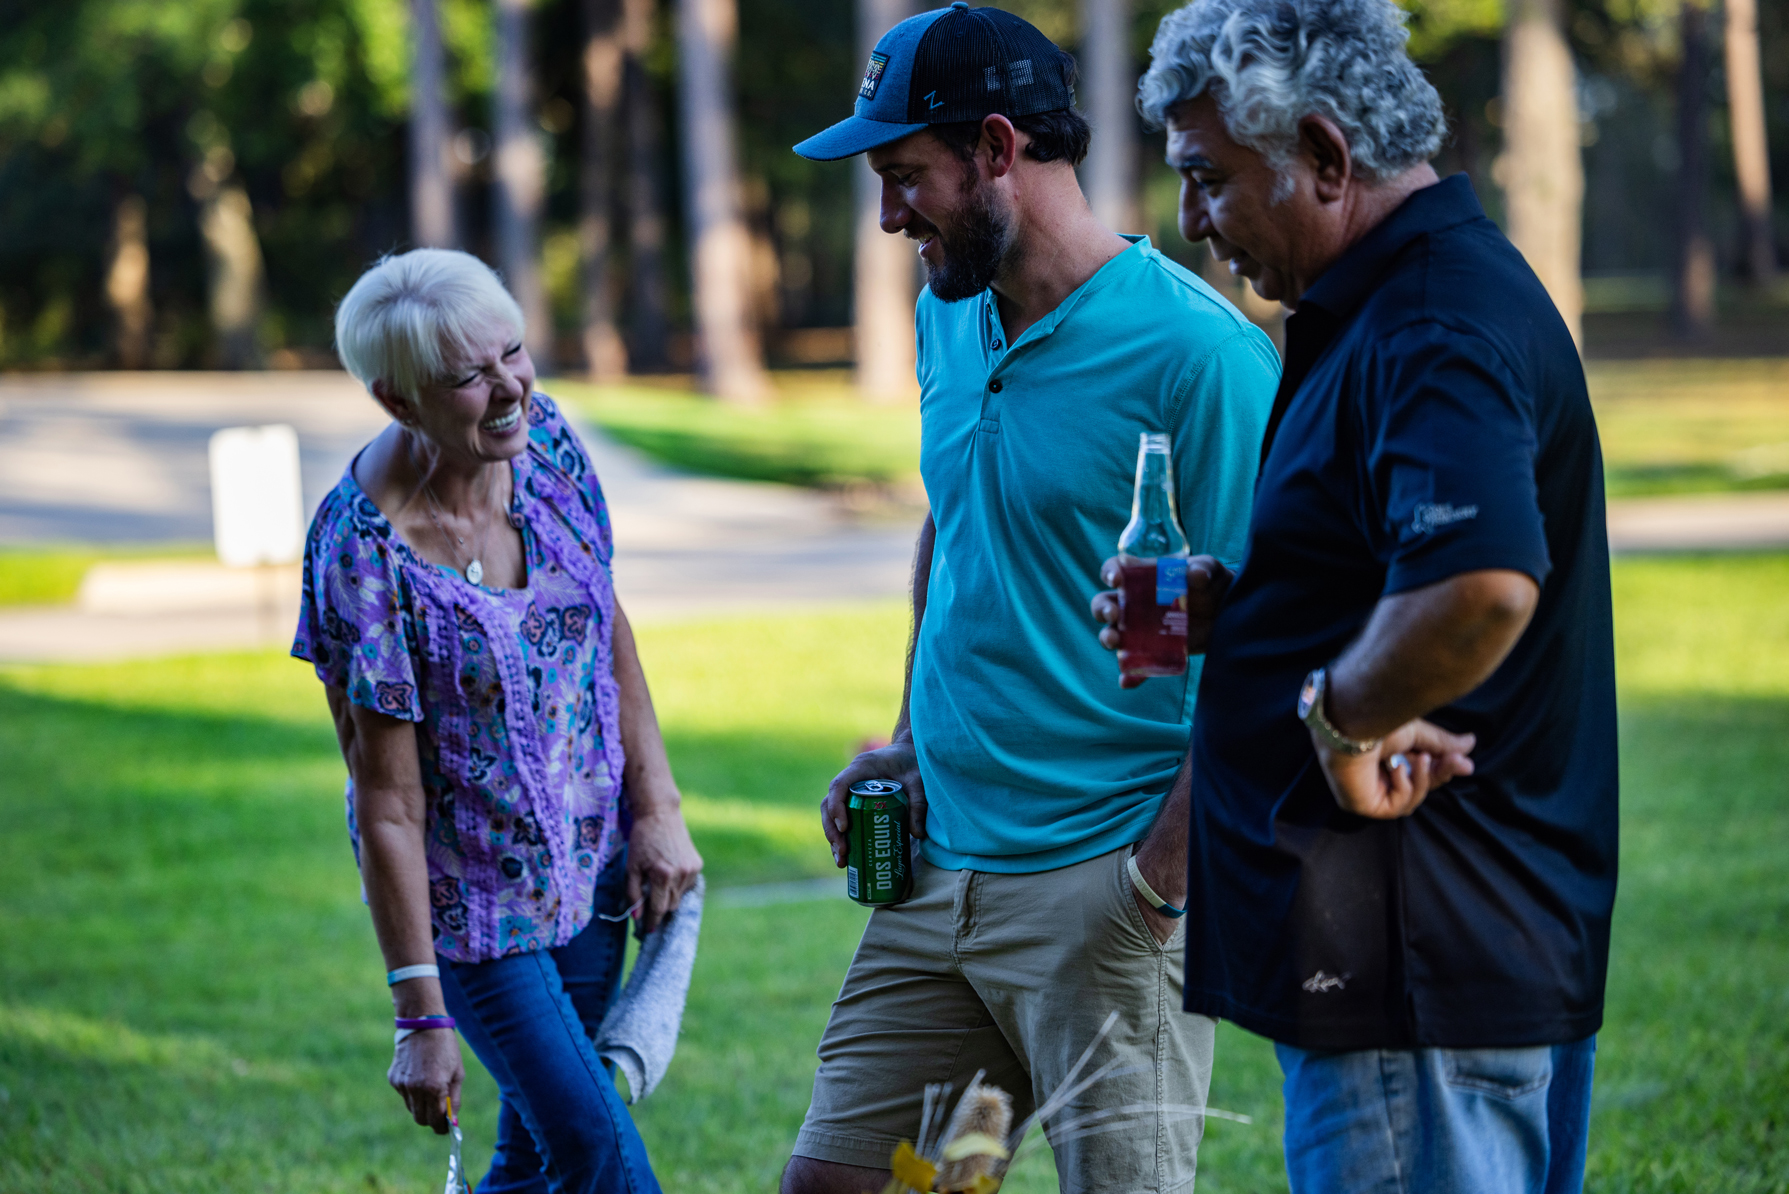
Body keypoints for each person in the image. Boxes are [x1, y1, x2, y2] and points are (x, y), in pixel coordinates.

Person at [1091, 0, 1618, 1189]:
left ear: (1325, 158)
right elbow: (1402, 560)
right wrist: (1259, 608)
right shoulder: (1395, 300)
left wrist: (1341, 717)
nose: (1189, 222)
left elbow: (1479, 584)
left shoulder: (1428, 321)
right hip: (1433, 955)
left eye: (1208, 180)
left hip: (1415, 961)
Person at [781, 6, 1281, 1191]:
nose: (890, 213)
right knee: (857, 1184)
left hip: (1101, 891)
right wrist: (907, 744)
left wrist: (1158, 877)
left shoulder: (1197, 359)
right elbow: (955, 520)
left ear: (998, 149)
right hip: (937, 874)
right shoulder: (945, 314)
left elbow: (1276, 633)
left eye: (907, 177)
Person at [293, 248, 702, 1194]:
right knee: (598, 1151)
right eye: (469, 379)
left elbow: (605, 623)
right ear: (399, 402)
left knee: (531, 1159)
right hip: (473, 913)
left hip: (593, 873)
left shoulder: (549, 445)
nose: (510, 388)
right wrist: (419, 1013)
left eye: (513, 353)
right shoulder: (361, 554)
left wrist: (657, 807)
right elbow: (386, 802)